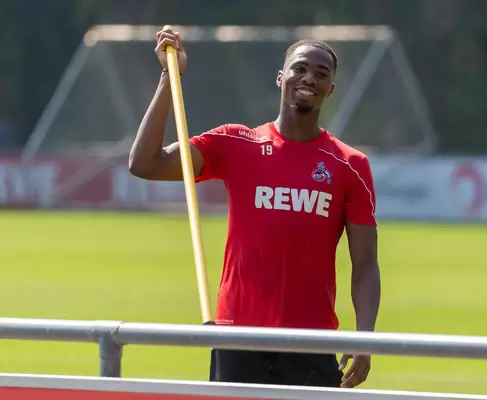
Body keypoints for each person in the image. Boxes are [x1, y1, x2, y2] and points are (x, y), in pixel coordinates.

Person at [129, 26, 381, 389]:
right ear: (281, 77)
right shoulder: (235, 143)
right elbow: (145, 163)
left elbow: (366, 266)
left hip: (311, 339)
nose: (309, 77)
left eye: (321, 74)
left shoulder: (350, 165)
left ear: (331, 89)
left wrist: (365, 340)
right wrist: (170, 76)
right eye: (299, 68)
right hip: (237, 335)